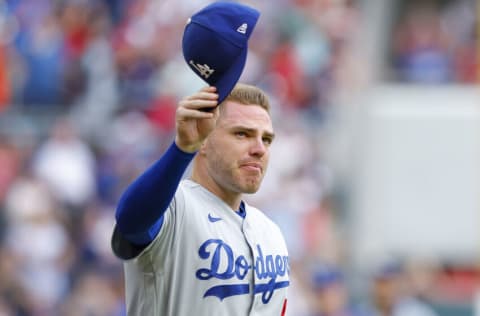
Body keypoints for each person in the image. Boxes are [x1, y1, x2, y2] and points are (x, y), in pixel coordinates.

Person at [111, 83, 290, 315]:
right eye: (242, 134)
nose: (259, 149)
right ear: (204, 140)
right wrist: (182, 149)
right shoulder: (173, 207)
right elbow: (130, 220)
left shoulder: (271, 232)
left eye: (266, 139)